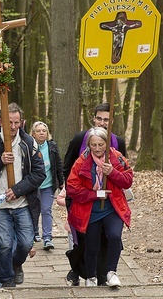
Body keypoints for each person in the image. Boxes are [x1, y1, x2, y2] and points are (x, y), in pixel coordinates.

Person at [0, 103, 45, 288]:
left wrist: (18, 190)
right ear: (1, 122)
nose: (13, 127)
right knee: (5, 244)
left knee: (25, 243)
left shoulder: (28, 142)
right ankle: (6, 281)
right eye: (9, 123)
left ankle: (16, 264)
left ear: (22, 122)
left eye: (17, 123)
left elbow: (39, 174)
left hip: (22, 203)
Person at [62, 102, 128, 285]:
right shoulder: (80, 139)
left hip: (109, 200)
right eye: (99, 118)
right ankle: (79, 271)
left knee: (110, 237)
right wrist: (72, 196)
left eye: (106, 119)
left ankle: (104, 274)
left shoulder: (118, 142)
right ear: (93, 118)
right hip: (82, 199)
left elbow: (124, 173)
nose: (102, 122)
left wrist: (111, 174)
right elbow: (67, 169)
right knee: (84, 240)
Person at [30, 121, 64, 249]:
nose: (41, 133)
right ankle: (34, 233)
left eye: (44, 131)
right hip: (33, 186)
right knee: (34, 210)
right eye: (38, 131)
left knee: (46, 210)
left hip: (48, 185)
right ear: (33, 134)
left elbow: (58, 165)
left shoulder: (52, 146)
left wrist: (61, 182)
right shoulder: (29, 146)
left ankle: (48, 238)